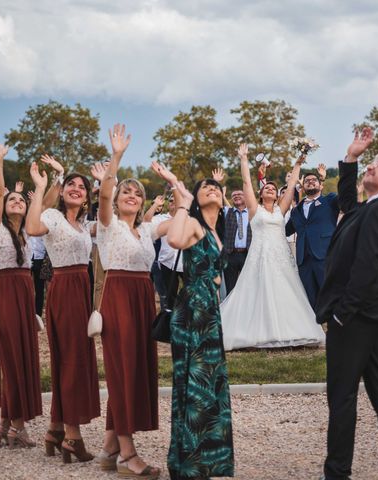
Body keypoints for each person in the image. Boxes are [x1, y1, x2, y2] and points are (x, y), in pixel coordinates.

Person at [317, 128, 378, 480]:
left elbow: (368, 264)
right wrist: (352, 159)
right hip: (372, 316)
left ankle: (337, 472)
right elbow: (346, 203)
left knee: (342, 397)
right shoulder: (369, 208)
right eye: (371, 163)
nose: (373, 167)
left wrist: (344, 312)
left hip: (357, 318)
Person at [96, 124, 174, 479]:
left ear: (143, 202)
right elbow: (103, 195)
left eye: (136, 192)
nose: (131, 194)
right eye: (125, 190)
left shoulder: (146, 228)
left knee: (136, 369)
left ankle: (110, 446)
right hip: (118, 297)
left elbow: (179, 217)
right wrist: (117, 156)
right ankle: (128, 454)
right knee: (122, 370)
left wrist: (172, 181)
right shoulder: (107, 224)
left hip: (144, 297)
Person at [150, 161, 235, 480]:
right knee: (194, 385)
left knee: (211, 385)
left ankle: (207, 459)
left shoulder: (219, 229)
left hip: (210, 312)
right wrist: (181, 199)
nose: (211, 188)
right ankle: (186, 464)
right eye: (204, 187)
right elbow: (174, 241)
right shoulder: (195, 226)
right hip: (192, 312)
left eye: (215, 186)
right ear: (197, 200)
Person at [26, 158, 100, 463]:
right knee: (71, 360)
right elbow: (32, 227)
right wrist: (43, 186)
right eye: (71, 183)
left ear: (87, 196)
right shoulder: (53, 217)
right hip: (65, 288)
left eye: (82, 186)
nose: (77, 188)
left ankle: (55, 430)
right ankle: (72, 436)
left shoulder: (83, 225)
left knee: (75, 358)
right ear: (62, 189)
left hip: (82, 289)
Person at [220, 145, 325, 350]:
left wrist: (298, 163)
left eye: (273, 188)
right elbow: (246, 182)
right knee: (256, 292)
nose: (270, 188)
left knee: (286, 292)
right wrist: (244, 159)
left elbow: (293, 183)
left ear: (277, 196)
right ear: (260, 194)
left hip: (280, 257)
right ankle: (257, 333)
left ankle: (290, 333)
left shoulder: (281, 208)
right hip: (259, 256)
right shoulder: (253, 209)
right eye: (266, 187)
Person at [0, 142, 42, 448]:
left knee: (23, 359)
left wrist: (46, 183)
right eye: (13, 199)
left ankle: (5, 424)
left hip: (25, 297)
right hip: (6, 297)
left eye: (21, 199)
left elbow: (44, 205)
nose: (17, 202)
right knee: (14, 362)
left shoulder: (27, 233)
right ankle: (17, 426)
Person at [285, 163, 339, 309]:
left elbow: (345, 200)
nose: (310, 182)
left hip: (325, 255)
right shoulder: (297, 210)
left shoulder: (330, 200)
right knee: (309, 297)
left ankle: (336, 325)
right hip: (303, 259)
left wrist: (324, 179)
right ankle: (315, 328)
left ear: (320, 185)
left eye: (313, 180)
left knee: (329, 292)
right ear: (302, 187)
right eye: (307, 181)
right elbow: (285, 230)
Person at [222, 188, 252, 293]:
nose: (236, 196)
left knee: (248, 287)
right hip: (230, 254)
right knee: (230, 288)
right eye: (234, 195)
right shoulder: (227, 212)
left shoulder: (252, 213)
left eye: (239, 194)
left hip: (248, 254)